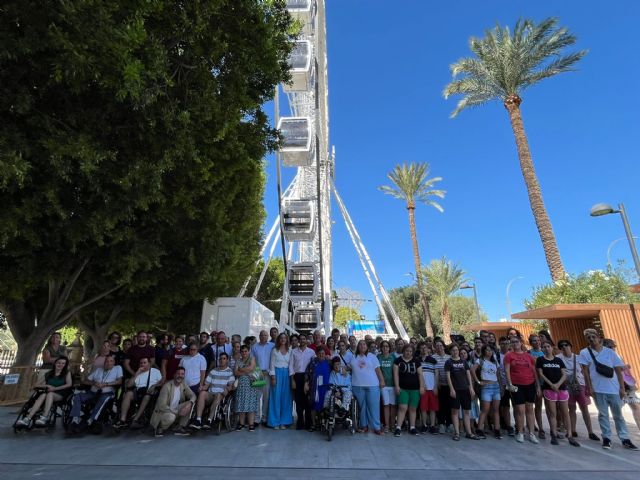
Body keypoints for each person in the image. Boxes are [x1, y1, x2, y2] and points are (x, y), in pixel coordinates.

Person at [579, 329, 638, 450]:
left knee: (618, 415)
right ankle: (607, 438)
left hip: (613, 388)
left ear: (599, 338)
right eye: (588, 337)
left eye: (593, 337)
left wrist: (621, 387)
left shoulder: (610, 353)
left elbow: (618, 370)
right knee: (603, 414)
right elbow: (585, 372)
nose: (591, 339)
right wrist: (589, 387)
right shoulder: (584, 352)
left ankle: (625, 438)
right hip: (597, 388)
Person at [536, 341, 579, 447]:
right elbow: (540, 374)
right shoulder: (540, 360)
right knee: (552, 413)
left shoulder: (558, 360)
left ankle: (569, 435)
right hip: (548, 389)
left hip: (562, 389)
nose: (546, 348)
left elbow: (564, 374)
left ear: (552, 348)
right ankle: (554, 435)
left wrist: (558, 384)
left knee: (565, 413)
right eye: (544, 347)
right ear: (542, 349)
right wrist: (552, 385)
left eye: (548, 346)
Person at [557, 339, 599, 441]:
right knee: (571, 408)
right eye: (561, 346)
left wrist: (589, 387)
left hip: (580, 384)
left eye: (566, 345)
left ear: (570, 346)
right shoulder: (558, 358)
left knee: (584, 408)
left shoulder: (579, 358)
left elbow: (585, 372)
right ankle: (573, 430)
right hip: (567, 385)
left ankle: (590, 432)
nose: (564, 347)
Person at [69, 355, 123, 432]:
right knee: (78, 396)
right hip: (93, 392)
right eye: (107, 361)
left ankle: (90, 420)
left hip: (107, 393)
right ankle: (75, 419)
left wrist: (106, 384)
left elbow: (119, 381)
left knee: (103, 399)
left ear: (114, 362)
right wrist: (94, 383)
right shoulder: (99, 370)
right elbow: (85, 381)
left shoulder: (117, 368)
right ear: (104, 363)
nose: (109, 363)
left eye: (111, 361)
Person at [17, 356, 73, 427]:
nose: (60, 365)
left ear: (65, 365)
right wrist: (47, 386)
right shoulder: (49, 373)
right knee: (43, 395)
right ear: (55, 363)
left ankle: (44, 417)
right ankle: (27, 419)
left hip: (61, 393)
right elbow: (35, 384)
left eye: (63, 363)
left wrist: (55, 389)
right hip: (48, 392)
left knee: (50, 394)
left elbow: (69, 384)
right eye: (59, 363)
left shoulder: (67, 373)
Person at [505, 336, 540, 444]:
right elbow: (507, 371)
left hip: (530, 384)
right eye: (512, 342)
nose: (515, 344)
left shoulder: (528, 356)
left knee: (530, 409)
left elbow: (534, 372)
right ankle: (520, 432)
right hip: (517, 385)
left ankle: (532, 433)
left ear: (521, 343)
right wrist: (510, 384)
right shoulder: (509, 355)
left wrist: (538, 386)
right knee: (520, 410)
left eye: (516, 342)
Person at [602, 339, 640, 432]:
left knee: (636, 406)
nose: (613, 348)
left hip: (626, 386)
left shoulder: (618, 356)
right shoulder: (604, 358)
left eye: (614, 346)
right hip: (615, 388)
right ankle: (622, 433)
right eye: (610, 347)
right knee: (617, 411)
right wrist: (623, 367)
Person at [190, 352, 235, 430]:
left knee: (218, 395)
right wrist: (202, 388)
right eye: (220, 359)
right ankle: (198, 420)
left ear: (227, 360)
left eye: (224, 359)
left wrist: (227, 389)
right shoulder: (213, 371)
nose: (221, 360)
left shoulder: (230, 372)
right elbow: (207, 385)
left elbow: (231, 385)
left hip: (220, 394)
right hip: (211, 393)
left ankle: (209, 420)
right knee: (202, 393)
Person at [114, 357, 162, 429]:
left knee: (147, 396)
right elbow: (128, 385)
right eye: (141, 363)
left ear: (149, 363)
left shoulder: (155, 371)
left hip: (150, 393)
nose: (142, 364)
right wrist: (137, 373)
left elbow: (161, 382)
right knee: (128, 394)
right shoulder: (138, 372)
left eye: (144, 363)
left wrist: (154, 386)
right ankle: (122, 419)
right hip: (139, 392)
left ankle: (135, 420)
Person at [350, 339, 384, 435]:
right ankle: (364, 426)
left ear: (367, 346)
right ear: (357, 347)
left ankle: (376, 427)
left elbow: (378, 370)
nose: (362, 346)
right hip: (357, 385)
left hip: (372, 385)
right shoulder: (353, 357)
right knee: (362, 407)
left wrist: (382, 380)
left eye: (364, 344)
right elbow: (349, 368)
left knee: (374, 407)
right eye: (360, 344)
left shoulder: (372, 357)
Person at [150, 367, 196, 437]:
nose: (180, 376)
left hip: (174, 411)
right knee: (171, 416)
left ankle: (179, 427)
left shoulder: (183, 384)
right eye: (178, 373)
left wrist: (190, 403)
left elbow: (193, 395)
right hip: (163, 412)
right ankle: (159, 428)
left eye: (182, 374)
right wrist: (176, 412)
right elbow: (162, 406)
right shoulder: (167, 386)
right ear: (174, 375)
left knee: (190, 404)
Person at [445, 345, 478, 441]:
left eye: (456, 350)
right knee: (455, 411)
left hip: (465, 389)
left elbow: (468, 375)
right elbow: (448, 376)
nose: (455, 352)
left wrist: (471, 388)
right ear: (450, 351)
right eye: (453, 350)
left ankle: (469, 432)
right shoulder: (448, 362)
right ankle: (457, 433)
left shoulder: (464, 362)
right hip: (455, 390)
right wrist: (451, 389)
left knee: (466, 411)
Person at [393, 344, 424, 437]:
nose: (408, 353)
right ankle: (398, 428)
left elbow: (420, 375)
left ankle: (412, 427)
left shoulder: (416, 361)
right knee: (402, 407)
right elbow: (396, 374)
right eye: (407, 351)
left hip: (415, 389)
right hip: (403, 389)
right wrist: (397, 386)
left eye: (410, 351)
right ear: (404, 351)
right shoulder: (398, 361)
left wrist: (422, 386)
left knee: (413, 408)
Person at [472, 345, 501, 439]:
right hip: (486, 387)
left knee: (496, 409)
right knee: (485, 409)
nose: (489, 352)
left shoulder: (494, 361)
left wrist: (501, 386)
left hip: (496, 386)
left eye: (490, 350)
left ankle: (497, 430)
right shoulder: (480, 360)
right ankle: (480, 429)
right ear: (484, 351)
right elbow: (472, 370)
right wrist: (478, 381)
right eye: (487, 350)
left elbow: (498, 374)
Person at [289, 334, 316, 430]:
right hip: (297, 377)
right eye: (300, 339)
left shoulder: (312, 352)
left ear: (306, 340)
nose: (302, 340)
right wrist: (292, 380)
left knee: (308, 400)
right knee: (298, 400)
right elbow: (291, 366)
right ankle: (300, 422)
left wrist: (309, 381)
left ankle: (308, 423)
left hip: (308, 377)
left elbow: (313, 366)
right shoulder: (293, 352)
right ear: (299, 341)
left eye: (304, 338)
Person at [268, 333, 293, 429]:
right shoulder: (274, 350)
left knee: (286, 399)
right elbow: (271, 364)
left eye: (285, 338)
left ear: (287, 339)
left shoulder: (290, 350)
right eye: (281, 338)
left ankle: (284, 421)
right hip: (277, 374)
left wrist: (291, 378)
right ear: (278, 340)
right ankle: (275, 422)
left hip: (286, 374)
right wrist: (273, 377)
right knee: (275, 398)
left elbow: (291, 365)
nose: (283, 339)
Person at [234, 344, 260, 432]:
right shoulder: (238, 360)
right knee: (241, 404)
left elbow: (252, 368)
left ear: (249, 351)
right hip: (241, 385)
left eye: (246, 351)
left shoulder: (252, 358)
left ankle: (251, 424)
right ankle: (241, 424)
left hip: (251, 385)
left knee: (251, 404)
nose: (244, 353)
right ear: (240, 352)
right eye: (242, 351)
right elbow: (236, 373)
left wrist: (241, 369)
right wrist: (246, 371)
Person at [251, 330, 274, 425]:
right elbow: (252, 361)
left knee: (266, 397)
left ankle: (264, 418)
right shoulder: (254, 347)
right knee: (257, 397)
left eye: (265, 335)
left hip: (268, 373)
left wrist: (268, 371)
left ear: (267, 336)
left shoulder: (272, 346)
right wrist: (256, 373)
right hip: (258, 373)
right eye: (262, 335)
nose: (264, 337)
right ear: (259, 336)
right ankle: (256, 419)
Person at [305, 348, 330, 431]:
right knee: (314, 406)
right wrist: (306, 383)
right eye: (320, 353)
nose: (321, 355)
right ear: (316, 354)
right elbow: (307, 373)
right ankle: (313, 424)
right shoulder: (313, 363)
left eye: (323, 353)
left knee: (324, 406)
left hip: (325, 388)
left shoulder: (328, 363)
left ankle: (322, 423)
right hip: (315, 388)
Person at [418, 343, 439, 434]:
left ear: (428, 349)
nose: (423, 349)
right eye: (421, 348)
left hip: (432, 387)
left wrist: (435, 386)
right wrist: (421, 385)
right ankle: (424, 425)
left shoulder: (433, 360)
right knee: (423, 408)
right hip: (422, 387)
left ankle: (433, 425)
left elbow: (437, 374)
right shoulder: (417, 360)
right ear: (419, 349)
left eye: (425, 347)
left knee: (432, 408)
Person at [433, 339, 451, 433]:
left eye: (440, 345)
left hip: (449, 385)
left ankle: (449, 423)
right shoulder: (433, 358)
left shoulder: (449, 357)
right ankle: (441, 424)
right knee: (440, 406)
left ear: (444, 346)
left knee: (449, 405)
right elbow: (433, 372)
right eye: (437, 345)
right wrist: (437, 383)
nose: (439, 347)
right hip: (439, 385)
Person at [378, 340, 397, 432]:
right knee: (386, 405)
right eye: (383, 346)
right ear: (381, 348)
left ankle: (393, 425)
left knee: (393, 405)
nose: (385, 348)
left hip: (392, 385)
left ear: (389, 348)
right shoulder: (378, 357)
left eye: (387, 346)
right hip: (383, 385)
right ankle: (387, 425)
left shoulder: (393, 357)